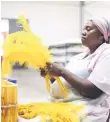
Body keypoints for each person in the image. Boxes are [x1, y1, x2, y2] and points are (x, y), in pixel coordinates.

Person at [41, 17, 110, 122]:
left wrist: (62, 71)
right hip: (66, 108)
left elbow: (92, 91)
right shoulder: (78, 58)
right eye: (83, 29)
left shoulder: (106, 55)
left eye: (88, 29)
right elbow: (66, 83)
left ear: (101, 36)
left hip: (87, 115)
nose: (83, 32)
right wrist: (52, 75)